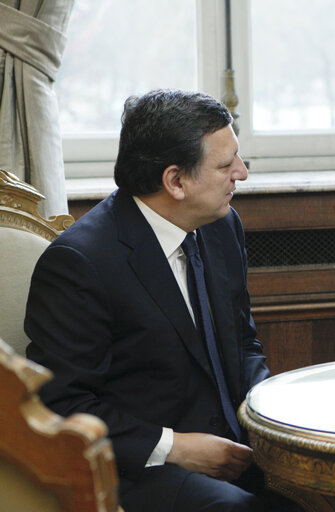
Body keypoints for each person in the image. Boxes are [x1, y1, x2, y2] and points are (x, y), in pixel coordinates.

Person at [25, 90, 280, 511]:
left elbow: (243, 343)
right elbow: (61, 405)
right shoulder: (79, 263)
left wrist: (269, 424)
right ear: (176, 181)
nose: (242, 173)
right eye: (225, 165)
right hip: (141, 468)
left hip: (239, 448)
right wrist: (175, 447)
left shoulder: (221, 226)